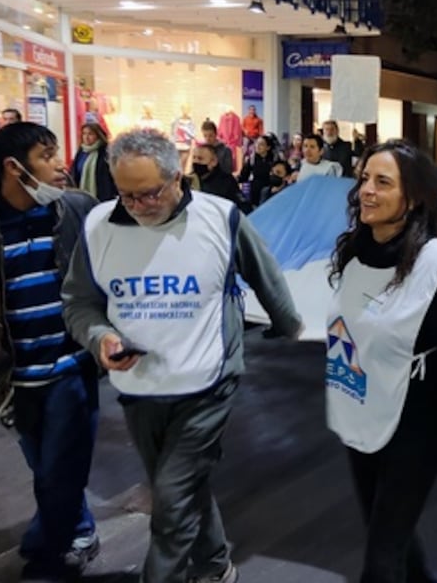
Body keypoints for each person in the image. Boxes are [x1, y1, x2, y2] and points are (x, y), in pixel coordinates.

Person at [61, 128, 303, 583]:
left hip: (207, 384)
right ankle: (214, 568)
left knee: (170, 503)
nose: (138, 205)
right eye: (127, 195)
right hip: (138, 388)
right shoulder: (97, 226)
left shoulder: (221, 218)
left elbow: (265, 275)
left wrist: (288, 324)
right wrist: (99, 338)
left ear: (178, 177)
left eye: (150, 192)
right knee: (183, 489)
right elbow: (79, 302)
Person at [326, 139, 437, 583]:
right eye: (364, 180)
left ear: (413, 198)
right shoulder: (357, 251)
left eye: (382, 182)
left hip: (416, 427)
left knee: (380, 561)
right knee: (389, 534)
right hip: (365, 414)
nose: (366, 192)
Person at [0, 122, 101, 581]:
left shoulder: (77, 209)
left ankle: (50, 553)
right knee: (45, 466)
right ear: (13, 168)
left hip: (70, 365)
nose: (61, 165)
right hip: (15, 374)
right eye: (48, 155)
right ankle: (76, 529)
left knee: (60, 468)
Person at [191, 143, 251, 213]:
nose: (195, 161)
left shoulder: (227, 181)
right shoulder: (190, 181)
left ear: (214, 162)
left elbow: (243, 206)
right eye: (194, 158)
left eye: (200, 159)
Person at [71, 122, 118, 201]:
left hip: (103, 198)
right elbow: (74, 173)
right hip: (81, 198)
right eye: (84, 134)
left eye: (90, 134)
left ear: (98, 136)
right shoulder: (81, 152)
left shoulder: (106, 152)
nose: (86, 137)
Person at [238, 133, 280, 208]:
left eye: (261, 144)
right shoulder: (252, 159)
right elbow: (243, 176)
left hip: (270, 192)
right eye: (257, 143)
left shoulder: (275, 159)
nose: (258, 146)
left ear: (268, 147)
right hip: (255, 192)